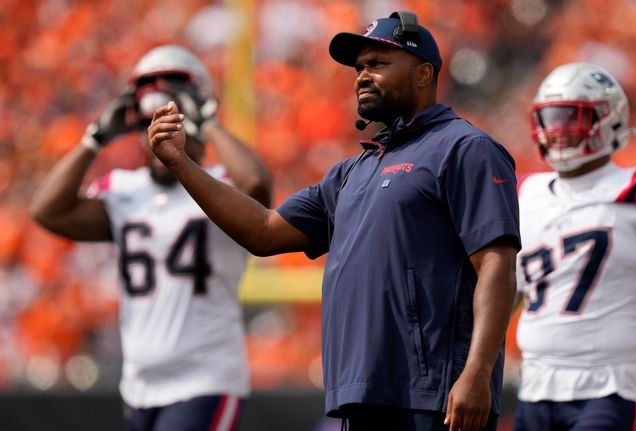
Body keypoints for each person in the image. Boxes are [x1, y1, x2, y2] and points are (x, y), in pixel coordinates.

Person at [147, 11, 520, 431]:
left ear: (423, 74)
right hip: (363, 396)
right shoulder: (351, 172)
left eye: (378, 64)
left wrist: (476, 372)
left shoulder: (465, 148)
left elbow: (496, 267)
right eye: (359, 67)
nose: (362, 76)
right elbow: (263, 231)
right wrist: (180, 164)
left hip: (434, 396)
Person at [30, 44, 273, 431]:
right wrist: (95, 138)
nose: (158, 142)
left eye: (172, 125)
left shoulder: (220, 187)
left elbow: (256, 184)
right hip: (140, 386)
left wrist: (206, 119)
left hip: (205, 379)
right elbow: (47, 210)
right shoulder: (125, 190)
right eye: (152, 127)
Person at [513, 62, 636, 431]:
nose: (557, 130)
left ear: (609, 120)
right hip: (534, 385)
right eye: (550, 117)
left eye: (571, 116)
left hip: (611, 387)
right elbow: (505, 293)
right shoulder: (525, 194)